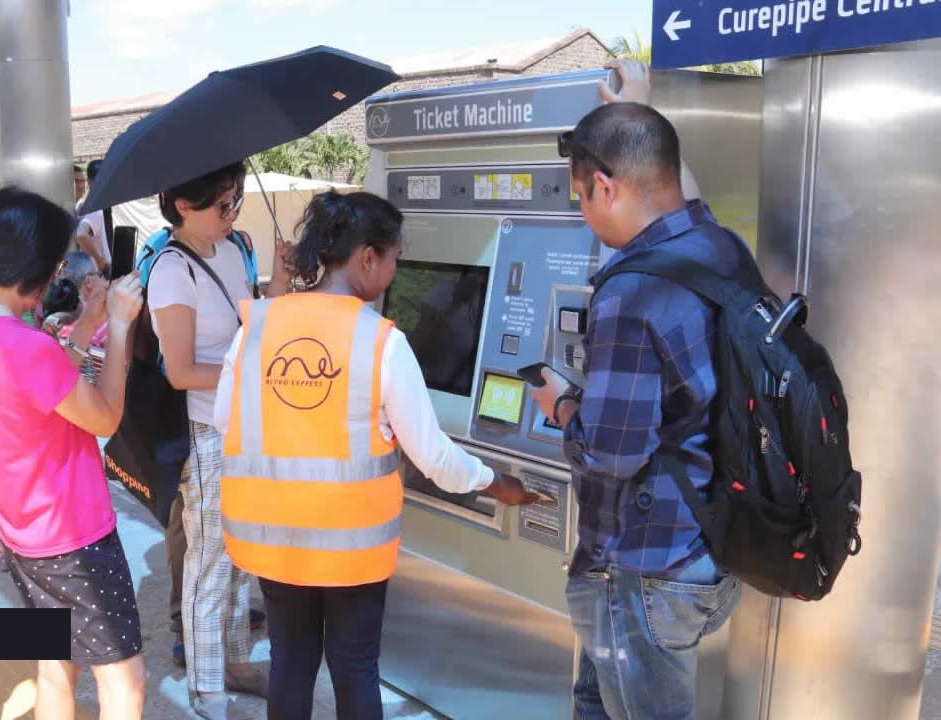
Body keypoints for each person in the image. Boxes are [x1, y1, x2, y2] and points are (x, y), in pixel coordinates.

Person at [214, 192, 535, 720]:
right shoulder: (381, 341)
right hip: (351, 545)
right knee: (354, 666)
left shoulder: (258, 326)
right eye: (394, 258)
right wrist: (493, 481)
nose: (393, 270)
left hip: (269, 534)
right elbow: (431, 455)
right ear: (367, 257)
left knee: (291, 661)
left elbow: (226, 417)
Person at [525, 60, 744, 720]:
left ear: (603, 186)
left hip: (644, 570)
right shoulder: (720, 247)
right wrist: (644, 110)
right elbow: (685, 194)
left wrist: (560, 405)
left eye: (581, 198)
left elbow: (611, 453)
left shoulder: (630, 292)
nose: (585, 214)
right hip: (706, 546)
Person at [0, 187, 147, 720]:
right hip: (76, 538)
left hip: (24, 535)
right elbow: (103, 415)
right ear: (35, 274)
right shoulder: (30, 348)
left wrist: (86, 321)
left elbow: (45, 381)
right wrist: (122, 326)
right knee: (125, 682)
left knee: (56, 666)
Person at [148, 160, 282, 720]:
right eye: (221, 204)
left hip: (242, 423)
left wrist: (282, 282)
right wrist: (249, 374)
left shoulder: (230, 250)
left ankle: (232, 662)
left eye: (236, 199)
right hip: (205, 432)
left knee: (240, 553)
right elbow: (179, 371)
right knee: (209, 567)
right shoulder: (171, 269)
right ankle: (207, 696)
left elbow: (251, 327)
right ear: (183, 205)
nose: (231, 213)